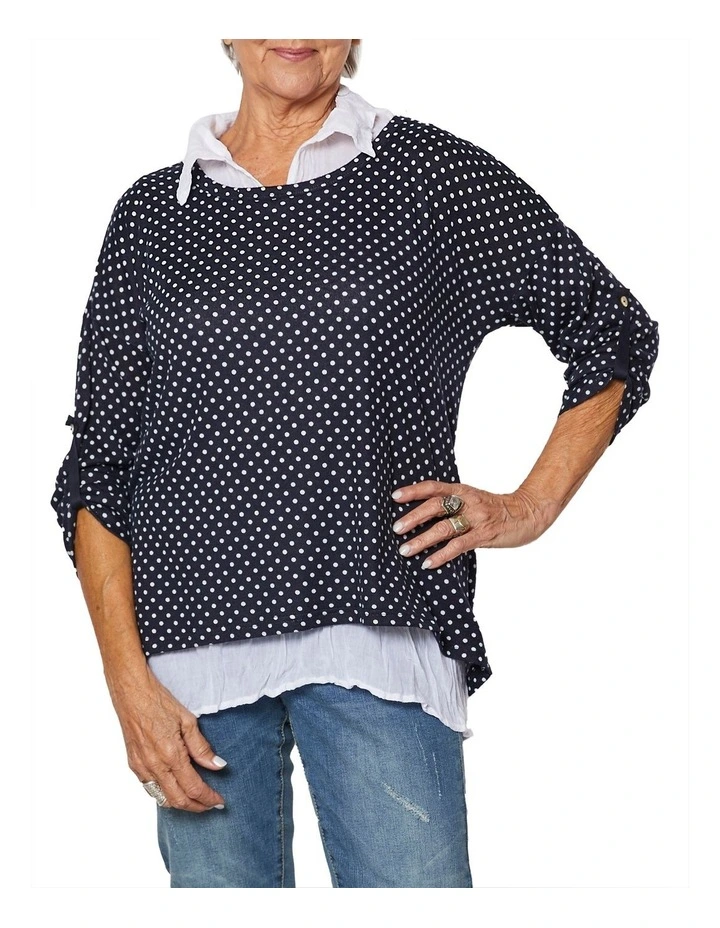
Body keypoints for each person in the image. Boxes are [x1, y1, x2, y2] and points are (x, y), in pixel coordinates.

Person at [49, 39, 660, 888]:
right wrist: (126, 683)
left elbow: (612, 327)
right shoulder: (155, 213)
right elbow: (100, 464)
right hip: (191, 674)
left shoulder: (424, 175)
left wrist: (527, 507)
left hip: (378, 633)